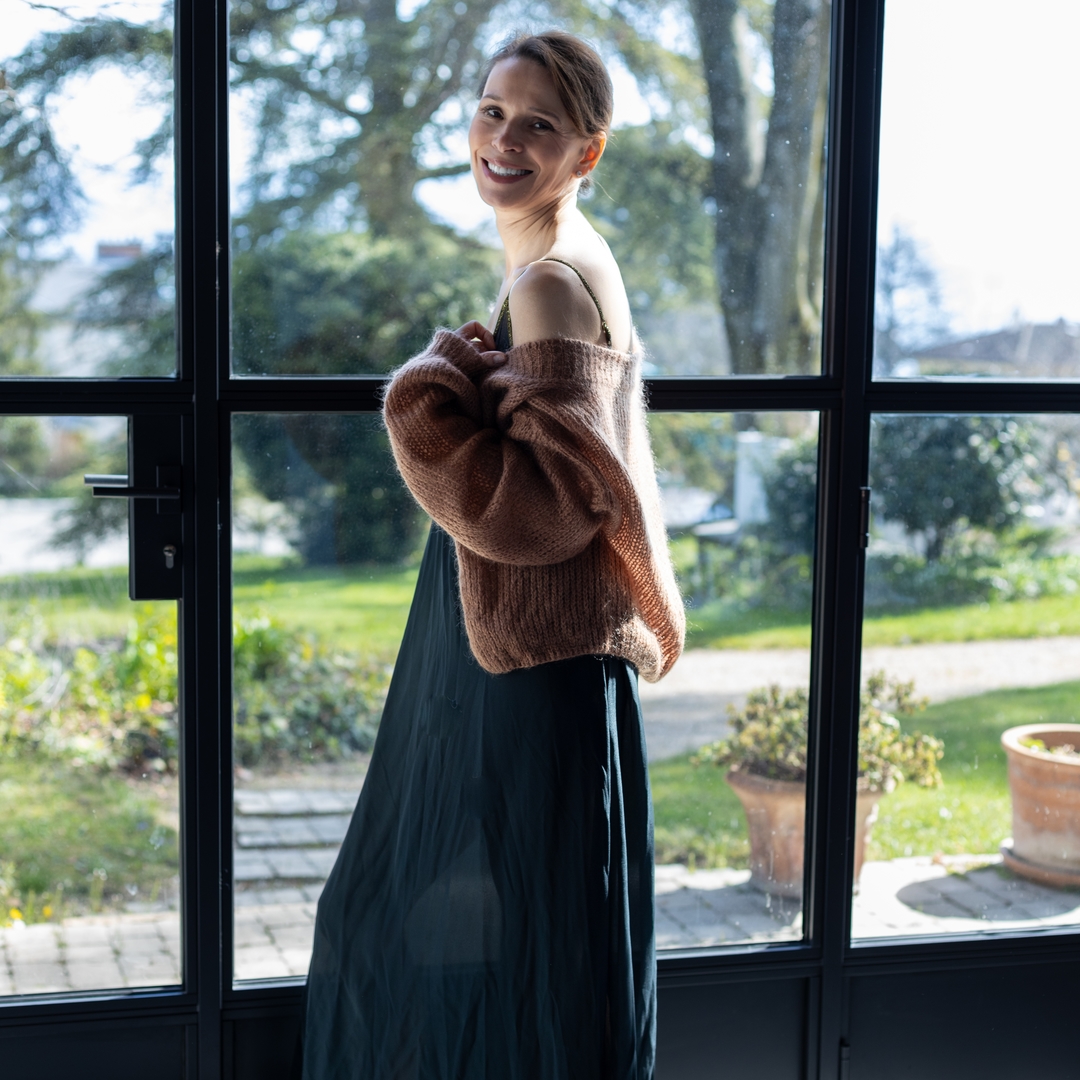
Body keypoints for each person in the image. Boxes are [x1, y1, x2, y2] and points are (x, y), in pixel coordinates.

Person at [300, 31, 684, 1080]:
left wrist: (423, 398)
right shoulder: (554, 258)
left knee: (416, 920)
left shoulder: (550, 282)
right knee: (536, 931)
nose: (504, 140)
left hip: (525, 663)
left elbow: (541, 515)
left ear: (586, 152)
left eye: (538, 124)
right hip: (530, 646)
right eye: (492, 111)